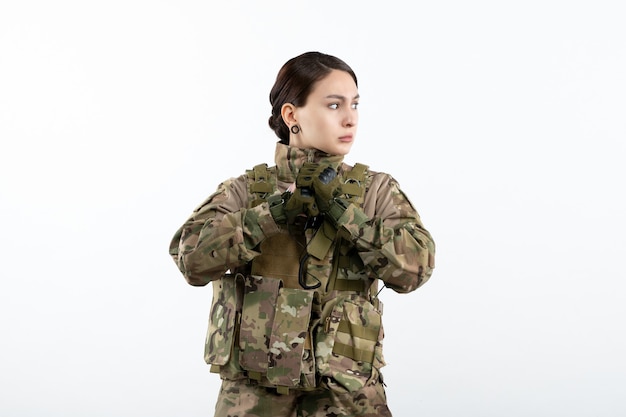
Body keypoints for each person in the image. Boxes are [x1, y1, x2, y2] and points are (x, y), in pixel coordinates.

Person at [169, 51, 435, 417]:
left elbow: (415, 270)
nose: (349, 118)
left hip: (347, 397)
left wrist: (344, 212)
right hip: (255, 397)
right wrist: (274, 213)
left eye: (355, 105)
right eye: (333, 105)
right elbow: (190, 259)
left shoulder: (375, 192)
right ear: (291, 115)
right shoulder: (246, 191)